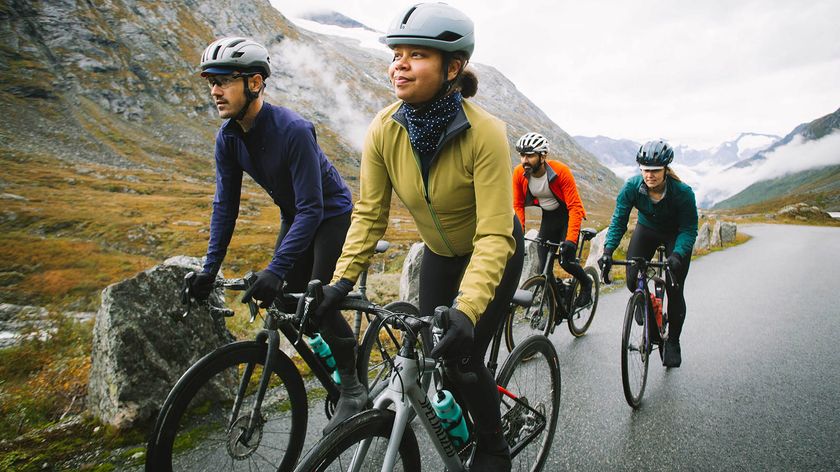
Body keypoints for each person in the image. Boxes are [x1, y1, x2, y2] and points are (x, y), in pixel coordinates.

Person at [315, 3, 524, 469]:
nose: (400, 64)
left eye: (417, 55)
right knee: (436, 362)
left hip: (494, 252)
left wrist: (468, 310)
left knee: (464, 358)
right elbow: (369, 215)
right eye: (396, 54)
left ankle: (493, 445)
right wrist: (340, 283)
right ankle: (462, 432)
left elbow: (493, 232)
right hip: (439, 254)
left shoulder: (485, 133)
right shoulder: (384, 130)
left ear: (453, 68)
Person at [188, 37, 362, 411]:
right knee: (282, 298)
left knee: (317, 299)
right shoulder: (228, 138)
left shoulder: (294, 129)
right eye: (210, 83)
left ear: (254, 83)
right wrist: (209, 269)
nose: (215, 91)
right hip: (295, 215)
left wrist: (275, 268)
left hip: (330, 214)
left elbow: (313, 209)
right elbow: (225, 207)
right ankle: (329, 354)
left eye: (223, 81)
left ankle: (353, 387)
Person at [598, 140, 698, 367]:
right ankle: (645, 301)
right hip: (647, 230)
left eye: (654, 171)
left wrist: (678, 255)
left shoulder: (682, 193)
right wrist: (607, 251)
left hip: (675, 235)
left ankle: (672, 341)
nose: (649, 175)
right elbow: (619, 221)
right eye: (645, 170)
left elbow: (689, 230)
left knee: (675, 288)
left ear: (665, 169)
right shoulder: (632, 187)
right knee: (633, 279)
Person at [512, 132, 592, 308]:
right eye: (522, 155)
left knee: (566, 261)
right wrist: (519, 233)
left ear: (543, 156)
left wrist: (570, 240)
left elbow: (575, 207)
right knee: (543, 268)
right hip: (548, 218)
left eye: (530, 155)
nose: (525, 160)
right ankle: (559, 298)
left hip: (566, 217)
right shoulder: (519, 173)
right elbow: (518, 205)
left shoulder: (561, 171)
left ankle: (586, 283)